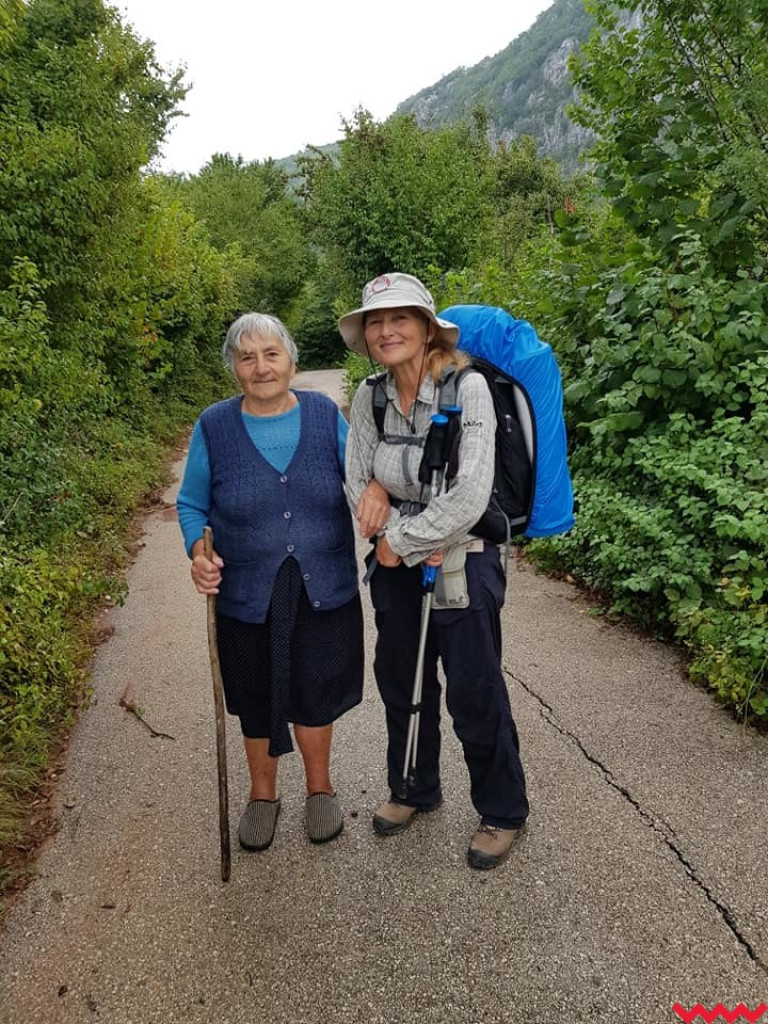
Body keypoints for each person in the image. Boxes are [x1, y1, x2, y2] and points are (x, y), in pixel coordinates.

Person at [340, 273, 529, 870]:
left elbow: (470, 495)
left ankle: (501, 810)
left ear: (427, 329)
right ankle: (413, 788)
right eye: (376, 321)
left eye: (401, 319)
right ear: (366, 336)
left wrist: (397, 536)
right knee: (402, 679)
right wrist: (374, 495)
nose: (387, 330)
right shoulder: (369, 396)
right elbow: (354, 477)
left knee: (475, 687)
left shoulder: (465, 389)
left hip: (463, 563)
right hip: (397, 567)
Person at [177, 312, 364, 851]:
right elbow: (191, 503)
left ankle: (320, 789)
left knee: (317, 689)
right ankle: (263, 795)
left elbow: (363, 480)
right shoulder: (214, 425)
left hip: (321, 581)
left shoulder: (326, 414)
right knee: (256, 694)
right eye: (247, 356)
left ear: (291, 360)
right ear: (234, 367)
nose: (261, 367)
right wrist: (198, 552)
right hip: (246, 591)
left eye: (271, 354)